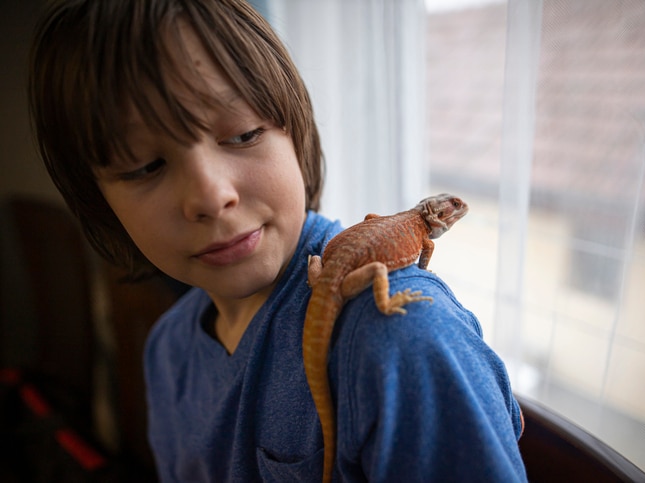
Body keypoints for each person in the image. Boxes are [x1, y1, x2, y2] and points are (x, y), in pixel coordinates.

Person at [28, 0, 527, 481]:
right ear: (99, 204)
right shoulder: (166, 349)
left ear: (298, 134)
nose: (212, 195)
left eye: (244, 134)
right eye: (144, 166)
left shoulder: (402, 342)